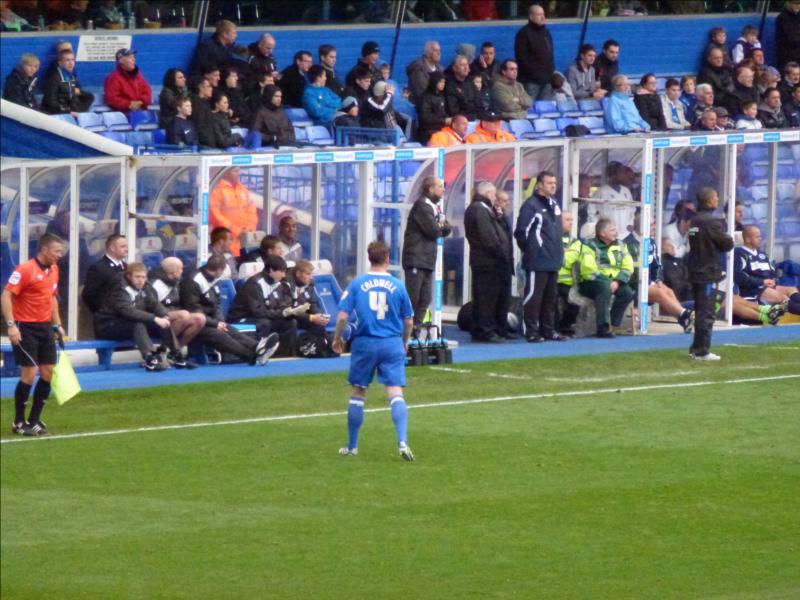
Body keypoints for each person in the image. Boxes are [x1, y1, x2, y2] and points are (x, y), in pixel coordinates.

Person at [331, 241, 414, 460]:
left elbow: (341, 316)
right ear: (387, 258)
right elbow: (408, 321)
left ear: (369, 258)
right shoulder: (398, 285)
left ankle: (352, 446)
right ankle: (403, 441)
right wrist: (404, 342)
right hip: (391, 342)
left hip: (365, 343)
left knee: (358, 391)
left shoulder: (357, 284)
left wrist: (337, 338)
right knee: (395, 391)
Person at [2, 233, 64, 436]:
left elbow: (52, 297)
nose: (60, 255)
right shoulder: (25, 269)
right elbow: (6, 295)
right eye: (56, 251)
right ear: (44, 250)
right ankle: (19, 422)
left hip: (45, 327)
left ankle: (34, 419)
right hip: (25, 327)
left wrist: (57, 325)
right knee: (29, 373)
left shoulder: (54, 269)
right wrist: (11, 325)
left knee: (48, 372)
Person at [180, 255, 279, 366]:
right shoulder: (193, 281)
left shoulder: (213, 279)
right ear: (219, 270)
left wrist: (220, 322)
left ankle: (257, 346)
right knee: (218, 334)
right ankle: (253, 355)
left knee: (227, 328)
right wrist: (215, 323)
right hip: (193, 323)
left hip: (208, 320)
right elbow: (194, 310)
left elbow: (216, 305)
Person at [94, 262, 179, 372]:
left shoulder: (145, 285)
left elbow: (153, 303)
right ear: (129, 276)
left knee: (164, 323)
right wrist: (155, 318)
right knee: (137, 323)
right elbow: (127, 311)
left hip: (127, 323)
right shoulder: (119, 288)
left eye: (143, 277)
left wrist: (165, 315)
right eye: (137, 277)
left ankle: (175, 353)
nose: (141, 280)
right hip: (109, 324)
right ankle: (150, 358)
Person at [514, 171, 565, 343]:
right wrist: (533, 250)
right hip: (538, 260)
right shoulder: (531, 205)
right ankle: (531, 331)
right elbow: (521, 232)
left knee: (551, 298)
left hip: (553, 259)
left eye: (554, 183)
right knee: (534, 296)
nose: (553, 186)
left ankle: (548, 330)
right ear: (540, 185)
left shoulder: (555, 203)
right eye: (549, 183)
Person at [685, 187, 734, 361]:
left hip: (695, 269)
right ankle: (702, 350)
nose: (717, 200)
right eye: (715, 197)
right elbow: (727, 244)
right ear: (709, 201)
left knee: (701, 310)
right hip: (707, 272)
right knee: (706, 312)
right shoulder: (711, 222)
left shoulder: (694, 220)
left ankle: (696, 348)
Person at [624, 215, 694, 332]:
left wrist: (658, 280)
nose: (654, 227)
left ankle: (683, 319)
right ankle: (686, 315)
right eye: (651, 224)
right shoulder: (628, 243)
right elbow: (631, 271)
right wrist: (650, 283)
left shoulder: (651, 242)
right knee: (660, 292)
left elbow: (657, 265)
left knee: (668, 290)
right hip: (634, 285)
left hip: (649, 283)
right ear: (642, 226)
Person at [464, 181, 513, 343]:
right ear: (487, 194)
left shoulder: (481, 209)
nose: (495, 198)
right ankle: (485, 331)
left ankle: (488, 330)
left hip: (487, 261)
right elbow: (489, 238)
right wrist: (500, 253)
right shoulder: (480, 209)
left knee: (488, 297)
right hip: (487, 262)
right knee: (486, 298)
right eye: (493, 194)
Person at [402, 176, 452, 334]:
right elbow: (434, 230)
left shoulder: (435, 207)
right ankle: (405, 331)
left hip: (427, 260)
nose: (443, 189)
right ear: (430, 189)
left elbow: (446, 228)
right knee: (413, 298)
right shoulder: (422, 206)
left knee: (425, 298)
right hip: (416, 259)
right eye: (440, 186)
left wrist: (441, 227)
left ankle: (414, 330)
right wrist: (441, 227)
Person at [577, 218, 635, 338]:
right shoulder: (589, 245)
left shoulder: (621, 244)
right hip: (591, 282)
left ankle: (612, 324)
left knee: (628, 292)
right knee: (604, 289)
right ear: (602, 233)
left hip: (615, 281)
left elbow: (628, 265)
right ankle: (602, 328)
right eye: (613, 230)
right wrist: (608, 282)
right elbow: (588, 269)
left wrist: (617, 281)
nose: (616, 232)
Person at [227, 255, 303, 344]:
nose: (283, 275)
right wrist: (281, 313)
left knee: (290, 322)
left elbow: (280, 304)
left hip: (262, 316)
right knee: (265, 323)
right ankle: (259, 352)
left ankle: (283, 355)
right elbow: (258, 311)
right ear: (271, 270)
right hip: (241, 317)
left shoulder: (278, 283)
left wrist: (288, 311)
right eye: (281, 272)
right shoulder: (254, 284)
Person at [734, 225, 800, 315]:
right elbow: (739, 276)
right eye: (757, 237)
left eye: (760, 236)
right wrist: (761, 282)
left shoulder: (763, 255)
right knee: (782, 297)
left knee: (791, 289)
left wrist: (773, 280)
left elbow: (772, 272)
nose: (760, 238)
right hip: (753, 289)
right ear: (748, 239)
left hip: (768, 286)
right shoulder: (739, 254)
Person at [148, 257, 206, 356]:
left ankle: (174, 352)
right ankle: (162, 351)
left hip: (175, 318)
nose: (182, 271)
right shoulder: (155, 284)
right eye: (181, 269)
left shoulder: (177, 282)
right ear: (174, 271)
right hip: (155, 320)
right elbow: (150, 307)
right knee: (183, 315)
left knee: (200, 318)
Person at [209, 167, 257, 259]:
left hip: (245, 243)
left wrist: (250, 228)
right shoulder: (216, 189)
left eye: (239, 170)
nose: (240, 173)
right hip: (225, 244)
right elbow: (215, 216)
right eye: (236, 171)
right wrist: (237, 231)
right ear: (226, 173)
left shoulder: (243, 189)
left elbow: (252, 211)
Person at [514, 3, 554, 101]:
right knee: (530, 109)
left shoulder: (546, 32)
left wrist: (551, 71)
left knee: (545, 110)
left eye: (543, 14)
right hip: (531, 82)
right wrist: (535, 73)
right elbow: (521, 58)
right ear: (531, 17)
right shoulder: (523, 33)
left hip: (547, 80)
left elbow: (550, 53)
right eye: (539, 15)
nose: (543, 17)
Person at [82, 234, 127, 314]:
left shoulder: (126, 267)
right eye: (123, 246)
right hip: (107, 319)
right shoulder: (98, 268)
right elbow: (89, 295)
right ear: (112, 248)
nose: (127, 249)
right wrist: (102, 313)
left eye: (126, 246)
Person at [42, 47, 93, 115]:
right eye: (67, 60)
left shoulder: (71, 76)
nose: (71, 63)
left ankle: (79, 114)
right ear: (60, 63)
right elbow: (51, 102)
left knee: (90, 97)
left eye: (72, 60)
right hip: (57, 111)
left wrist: (80, 92)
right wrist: (68, 111)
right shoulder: (53, 79)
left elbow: (72, 95)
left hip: (69, 107)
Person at [103, 48, 152, 114]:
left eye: (134, 57)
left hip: (142, 113)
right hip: (123, 116)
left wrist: (141, 102)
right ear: (121, 60)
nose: (133, 59)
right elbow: (111, 99)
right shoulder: (113, 78)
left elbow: (148, 91)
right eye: (129, 57)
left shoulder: (138, 75)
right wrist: (129, 104)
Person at [556, 212, 582, 336]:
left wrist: (560, 253)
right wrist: (563, 252)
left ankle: (565, 327)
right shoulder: (551, 237)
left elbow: (567, 260)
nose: (571, 222)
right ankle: (553, 329)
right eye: (567, 220)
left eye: (572, 219)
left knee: (574, 303)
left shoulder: (575, 241)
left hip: (568, 282)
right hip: (551, 279)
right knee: (550, 304)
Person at [444, 54, 481, 120]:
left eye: (467, 64)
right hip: (460, 121)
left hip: (475, 117)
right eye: (462, 65)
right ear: (454, 68)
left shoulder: (470, 82)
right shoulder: (449, 85)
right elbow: (453, 111)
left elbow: (478, 102)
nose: (466, 67)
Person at [416, 72, 449, 143]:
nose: (443, 84)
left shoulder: (441, 95)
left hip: (440, 128)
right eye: (440, 82)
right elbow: (425, 117)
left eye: (444, 82)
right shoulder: (425, 97)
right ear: (434, 82)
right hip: (428, 130)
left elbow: (442, 112)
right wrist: (444, 120)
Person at [776, 1, 800, 70]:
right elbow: (791, 38)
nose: (798, 6)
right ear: (788, 3)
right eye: (795, 4)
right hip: (787, 58)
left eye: (799, 4)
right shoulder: (782, 18)